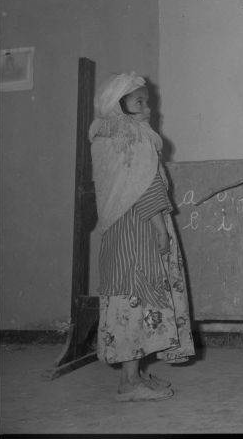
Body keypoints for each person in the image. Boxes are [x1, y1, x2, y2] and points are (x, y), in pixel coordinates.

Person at [89, 72, 194, 402]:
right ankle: (129, 383)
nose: (147, 106)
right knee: (136, 298)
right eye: (139, 101)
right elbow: (146, 186)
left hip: (124, 231)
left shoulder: (110, 137)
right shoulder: (130, 137)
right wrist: (160, 227)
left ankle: (133, 374)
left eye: (146, 100)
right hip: (139, 230)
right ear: (119, 106)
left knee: (130, 298)